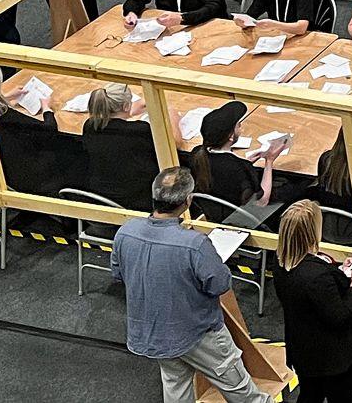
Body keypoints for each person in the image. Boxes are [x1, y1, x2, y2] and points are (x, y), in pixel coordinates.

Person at [110, 167, 272, 403]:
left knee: (176, 388)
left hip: (156, 334)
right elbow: (220, 283)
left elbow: (118, 274)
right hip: (198, 333)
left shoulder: (126, 232)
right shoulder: (194, 244)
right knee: (241, 390)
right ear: (187, 201)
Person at [272, 200, 352, 403]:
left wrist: (339, 273)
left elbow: (313, 296)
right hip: (333, 357)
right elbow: (339, 314)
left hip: (303, 350)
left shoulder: (282, 261)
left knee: (310, 395)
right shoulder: (316, 276)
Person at [0, 63, 84, 196]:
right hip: (23, 178)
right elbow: (48, 131)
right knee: (73, 148)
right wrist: (47, 109)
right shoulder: (9, 120)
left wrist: (5, 98)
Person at [81, 82, 181, 212]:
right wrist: (169, 114)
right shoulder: (140, 130)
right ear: (126, 105)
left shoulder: (90, 126)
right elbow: (175, 144)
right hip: (136, 201)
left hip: (101, 197)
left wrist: (128, 112)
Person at [189, 101, 288, 218]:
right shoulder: (239, 168)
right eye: (238, 125)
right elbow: (261, 202)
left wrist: (246, 162)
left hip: (217, 212)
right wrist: (269, 161)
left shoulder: (198, 154)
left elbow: (222, 170)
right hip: (240, 219)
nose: (240, 126)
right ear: (231, 136)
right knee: (296, 187)